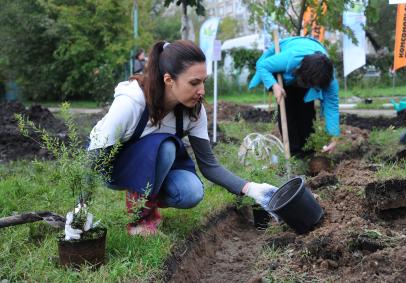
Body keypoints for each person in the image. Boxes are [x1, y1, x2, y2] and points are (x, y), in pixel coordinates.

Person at [88, 40, 278, 236]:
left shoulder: (194, 111)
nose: (202, 91)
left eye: (203, 81)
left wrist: (252, 189)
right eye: (194, 83)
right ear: (169, 80)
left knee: (191, 192)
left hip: (151, 167)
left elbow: (209, 166)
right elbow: (94, 158)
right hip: (113, 168)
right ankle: (140, 220)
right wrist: (80, 213)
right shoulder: (132, 101)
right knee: (166, 146)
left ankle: (146, 197)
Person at [249, 36, 340, 156]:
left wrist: (334, 137)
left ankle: (308, 153)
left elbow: (331, 107)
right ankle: (294, 154)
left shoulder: (328, 79)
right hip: (289, 72)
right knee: (288, 111)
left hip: (309, 69)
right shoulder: (288, 59)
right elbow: (263, 66)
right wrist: (274, 85)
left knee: (307, 113)